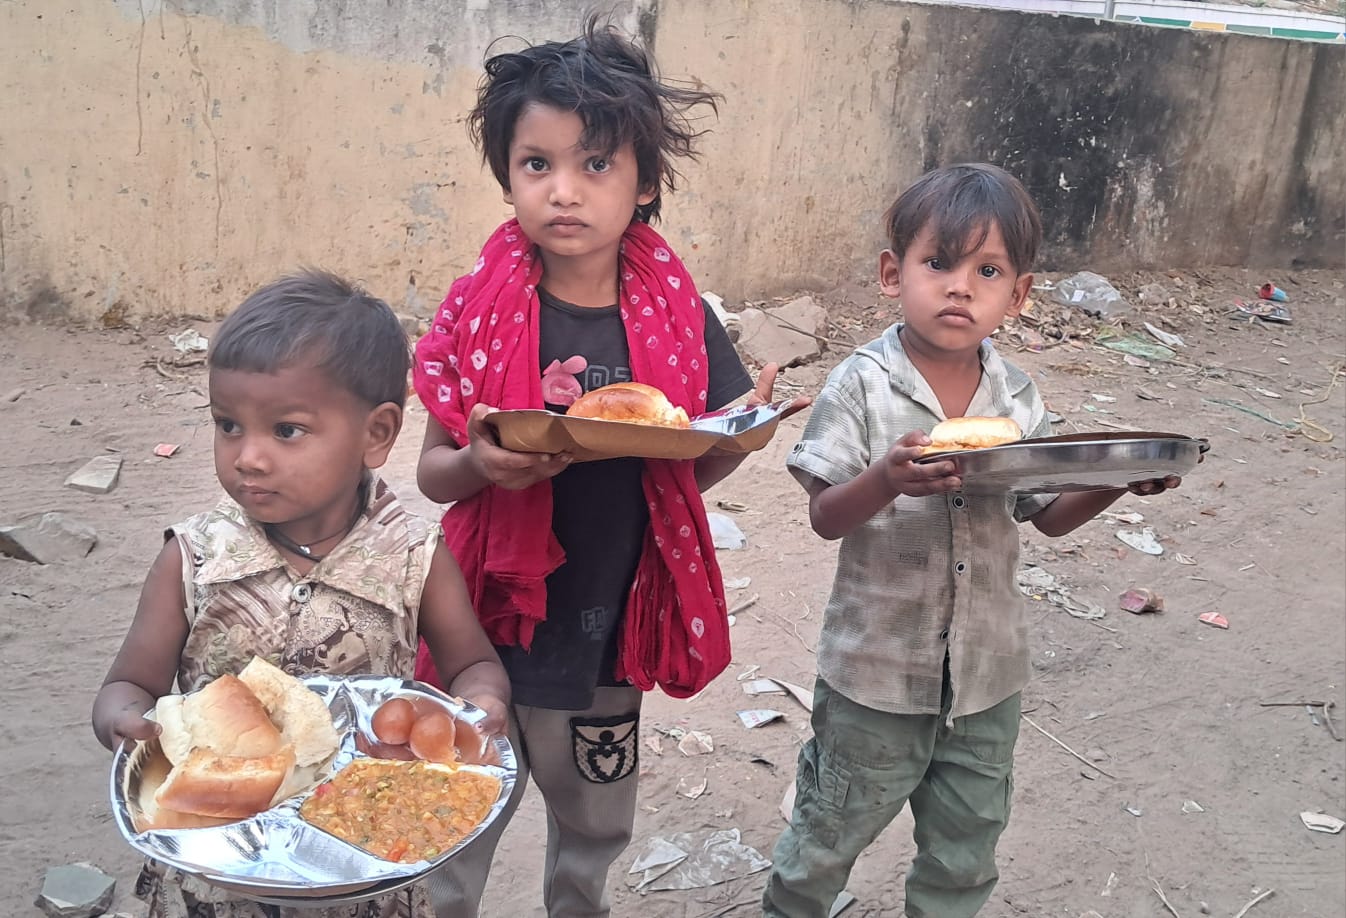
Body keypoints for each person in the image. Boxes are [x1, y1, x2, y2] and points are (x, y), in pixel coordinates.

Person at [411, 17, 790, 918]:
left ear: (644, 182)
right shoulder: (479, 309)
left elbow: (689, 464)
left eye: (595, 165)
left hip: (611, 621)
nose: (563, 192)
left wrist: (735, 438)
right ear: (507, 175)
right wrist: (481, 464)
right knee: (454, 808)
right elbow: (432, 474)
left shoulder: (676, 311)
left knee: (592, 823)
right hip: (483, 622)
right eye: (536, 164)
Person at [762, 163, 1188, 918]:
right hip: (878, 675)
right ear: (894, 275)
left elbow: (1047, 514)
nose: (960, 287)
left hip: (986, 679)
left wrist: (1120, 479)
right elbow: (827, 516)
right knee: (828, 835)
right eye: (939, 263)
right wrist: (888, 480)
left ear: (1017, 295)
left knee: (966, 848)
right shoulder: (861, 385)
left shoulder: (1016, 397)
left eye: (986, 270)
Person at [91, 271, 511, 918]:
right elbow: (127, 686)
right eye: (228, 426)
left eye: (286, 431)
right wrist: (127, 722)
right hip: (219, 863)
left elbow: (473, 666)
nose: (248, 457)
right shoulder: (194, 557)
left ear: (376, 435)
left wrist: (479, 707)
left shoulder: (410, 558)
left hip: (361, 857)